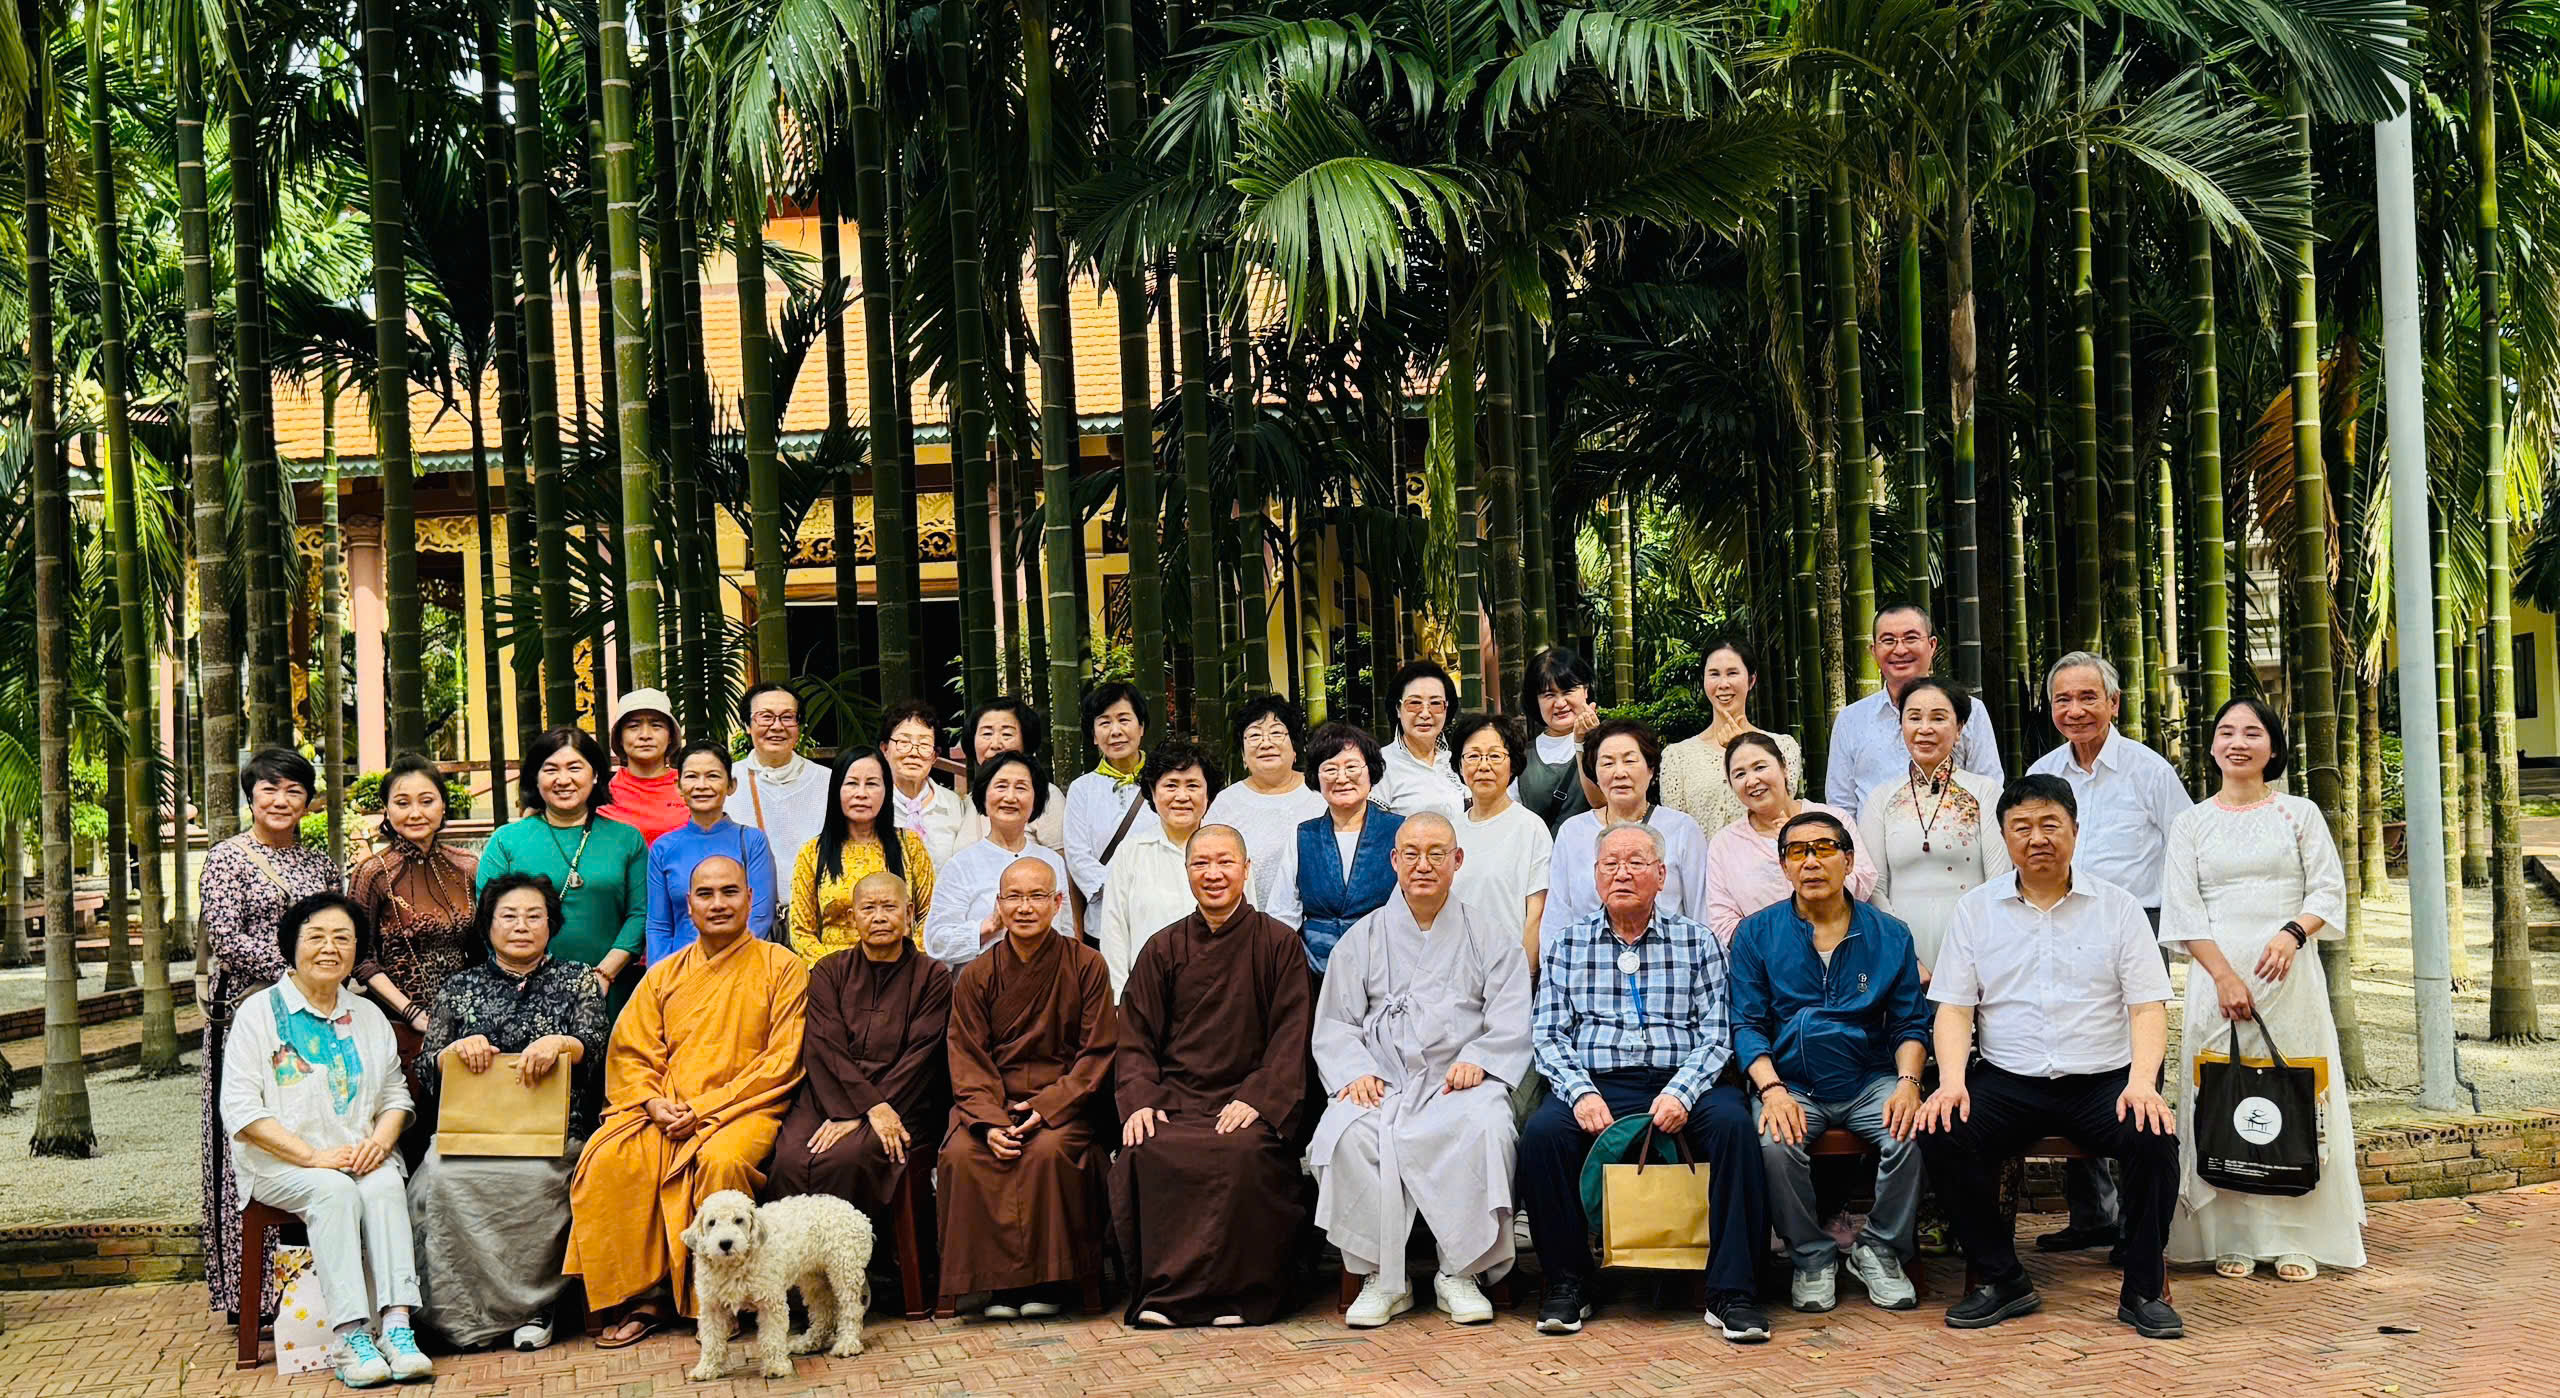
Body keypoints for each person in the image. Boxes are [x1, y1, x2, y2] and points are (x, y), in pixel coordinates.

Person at [1916, 775, 2183, 1340]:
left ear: (2075, 831)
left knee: (2153, 1138)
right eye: (2022, 827)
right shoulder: (1976, 909)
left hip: (2102, 1080)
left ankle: (2142, 1288)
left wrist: (2142, 1083)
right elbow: (1955, 1009)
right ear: (2005, 838)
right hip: (2009, 1079)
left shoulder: (2118, 907)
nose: (2037, 838)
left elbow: (2147, 1006)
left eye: (2049, 824)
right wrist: (1953, 1081)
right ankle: (2002, 1277)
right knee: (1941, 1129)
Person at [1519, 823, 1772, 1343]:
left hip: (1683, 1079)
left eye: (1636, 862)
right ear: (1595, 876)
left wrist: (1683, 1091)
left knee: (1734, 1128)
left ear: (1661, 875)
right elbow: (1548, 1034)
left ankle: (1732, 1292)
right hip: (1597, 1081)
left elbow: (1717, 1032)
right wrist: (1581, 1092)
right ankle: (1569, 1282)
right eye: (1610, 864)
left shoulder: (1696, 940)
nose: (1622, 873)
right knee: (1543, 1136)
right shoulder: (1568, 943)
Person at [568, 855, 811, 1346]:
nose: (718, 903)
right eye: (705, 894)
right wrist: (653, 1104)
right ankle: (647, 1296)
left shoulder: (783, 967)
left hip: (746, 1107)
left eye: (729, 892)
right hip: (666, 1108)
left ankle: (719, 1305)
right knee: (610, 1159)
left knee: (721, 1163)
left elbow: (781, 1060)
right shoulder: (663, 975)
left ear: (750, 899)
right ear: (689, 905)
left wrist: (705, 1109)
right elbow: (632, 1052)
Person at [2162, 698, 2360, 1280]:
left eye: (2252, 733)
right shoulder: (2191, 822)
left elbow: (2327, 890)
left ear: (2273, 747)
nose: (2238, 743)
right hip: (2215, 982)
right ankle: (2231, 1236)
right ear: (2212, 746)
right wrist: (2223, 976)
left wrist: (2293, 933)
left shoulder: (2300, 814)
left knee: (2295, 1095)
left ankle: (2296, 1237)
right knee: (2222, 1096)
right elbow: (2182, 909)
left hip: (2289, 980)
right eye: (2226, 732)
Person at [1310, 813, 1532, 1329]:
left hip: (1458, 1081)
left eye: (1437, 853)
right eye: (1411, 853)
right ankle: (1381, 1277)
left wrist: (1481, 1059)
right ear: (1394, 861)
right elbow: (1336, 1022)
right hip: (1384, 1081)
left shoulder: (1489, 934)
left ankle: (1461, 1271)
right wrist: (1355, 1070)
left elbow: (1511, 1016)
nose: (1423, 864)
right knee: (1346, 1132)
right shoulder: (1363, 937)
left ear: (1458, 860)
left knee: (1487, 1126)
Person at [219, 892, 430, 1387]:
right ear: (291, 945)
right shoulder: (258, 1014)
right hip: (281, 1163)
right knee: (333, 1191)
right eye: (316, 937)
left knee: (384, 1185)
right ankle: (351, 1337)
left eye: (343, 938)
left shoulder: (367, 1015)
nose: (330, 948)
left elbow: (395, 1096)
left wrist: (381, 1142)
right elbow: (244, 1113)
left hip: (358, 1154)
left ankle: (397, 1328)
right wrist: (313, 1157)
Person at [1111, 825, 1314, 1328]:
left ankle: (1242, 1296)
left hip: (1246, 1099)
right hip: (1177, 1100)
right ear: (1187, 873)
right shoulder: (1163, 948)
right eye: (1201, 863)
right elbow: (1135, 1034)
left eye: (1225, 862)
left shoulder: (1279, 944)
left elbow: (1293, 1034)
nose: (1213, 873)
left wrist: (1260, 1098)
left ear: (1246, 870)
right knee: (1147, 1148)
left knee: (1243, 1152)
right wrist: (1141, 1099)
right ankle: (1165, 1295)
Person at [2025, 652, 2193, 1257]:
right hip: (2059, 921)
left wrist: (2176, 931)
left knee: (2139, 1065)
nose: (2075, 710)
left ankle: (2137, 1225)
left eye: (2088, 697)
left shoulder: (2148, 770)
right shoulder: (2043, 772)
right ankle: (2092, 1213)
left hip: (2136, 924)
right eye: (2063, 700)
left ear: (2114, 703)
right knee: (2072, 1059)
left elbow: (2185, 848)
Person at [1729, 812, 1929, 1315]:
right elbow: (1747, 1025)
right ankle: (1812, 1256)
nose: (1812, 862)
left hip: (1868, 1079)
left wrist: (1908, 1083)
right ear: (1784, 866)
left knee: (1910, 1129)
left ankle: (1878, 1249)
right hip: (1791, 1081)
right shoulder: (1756, 934)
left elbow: (1909, 1023)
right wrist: (1772, 1091)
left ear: (1849, 859)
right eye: (1798, 852)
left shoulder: (1890, 935)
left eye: (1824, 848)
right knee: (1775, 1144)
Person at [407, 874, 609, 1353]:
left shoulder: (578, 980)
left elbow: (598, 1048)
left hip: (554, 1132)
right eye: (509, 916)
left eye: (534, 916)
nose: (522, 926)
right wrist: (455, 1052)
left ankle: (536, 1307)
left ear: (551, 924)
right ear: (488, 924)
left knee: (537, 1179)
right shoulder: (460, 986)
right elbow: (427, 1069)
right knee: (439, 1178)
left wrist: (565, 1044)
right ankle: (452, 1316)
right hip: (471, 1132)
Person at [937, 858, 1119, 1318]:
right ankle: (997, 1286)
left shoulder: (1087, 965)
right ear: (998, 905)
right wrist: (989, 1122)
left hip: (1065, 1104)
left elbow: (1097, 1051)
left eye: (1037, 896)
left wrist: (1049, 1105)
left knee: (1048, 1153)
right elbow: (966, 1057)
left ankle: (1052, 1280)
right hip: (991, 1103)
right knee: (963, 1155)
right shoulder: (977, 974)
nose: (1025, 907)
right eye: (1014, 897)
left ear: (1057, 903)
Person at [200, 746, 344, 1320]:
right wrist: (298, 973)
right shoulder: (226, 859)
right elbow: (226, 938)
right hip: (248, 1012)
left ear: (308, 802)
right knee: (250, 1135)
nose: (281, 800)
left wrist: (317, 978)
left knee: (314, 1121)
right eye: (270, 788)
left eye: (294, 791)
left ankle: (314, 1293)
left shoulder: (320, 865)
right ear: (251, 796)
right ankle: (249, 1293)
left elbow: (337, 929)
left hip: (315, 1014)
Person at [768, 873, 957, 1240]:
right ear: (852, 917)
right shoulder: (829, 971)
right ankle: (794, 1266)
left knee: (845, 1158)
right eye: (868, 908)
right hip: (827, 1094)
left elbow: (921, 1057)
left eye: (889, 907)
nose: (879, 917)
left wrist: (871, 1110)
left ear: (910, 913)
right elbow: (825, 1047)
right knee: (790, 1158)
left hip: (902, 1099)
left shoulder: (932, 976)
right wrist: (864, 1107)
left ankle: (857, 1261)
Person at [474, 727, 648, 1017]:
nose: (563, 779)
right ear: (535, 777)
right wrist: (527, 975)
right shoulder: (506, 840)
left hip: (611, 988)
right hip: (525, 992)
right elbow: (487, 914)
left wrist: (603, 975)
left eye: (575, 768)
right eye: (551, 769)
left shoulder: (627, 839)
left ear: (595, 774)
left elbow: (640, 914)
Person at [1858, 679, 2011, 973]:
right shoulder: (1881, 798)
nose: (1925, 728)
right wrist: (1904, 957)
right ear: (1901, 725)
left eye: (1939, 718)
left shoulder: (1985, 792)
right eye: (1914, 718)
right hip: (1901, 954)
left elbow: (1999, 881)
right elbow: (1874, 886)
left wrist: (1972, 956)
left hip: (1974, 949)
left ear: (1960, 728)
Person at [1541, 721, 1712, 947]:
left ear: (1650, 769)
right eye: (1607, 763)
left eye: (1630, 761)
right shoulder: (1572, 832)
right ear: (1595, 773)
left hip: (1669, 961)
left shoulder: (1682, 828)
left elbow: (1702, 912)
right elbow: (1556, 917)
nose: (1619, 773)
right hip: (1589, 962)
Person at [1824, 605, 2004, 818]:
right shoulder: (1851, 720)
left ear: (1932, 645)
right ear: (1873, 651)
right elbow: (1841, 808)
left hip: (1956, 836)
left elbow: (1990, 794)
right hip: (1872, 839)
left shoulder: (1970, 710)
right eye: (1888, 640)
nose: (1900, 650)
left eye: (1911, 638)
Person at [346, 754, 476, 1045]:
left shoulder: (467, 866)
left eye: (427, 801)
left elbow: (481, 952)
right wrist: (410, 1012)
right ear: (387, 809)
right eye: (402, 803)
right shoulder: (373, 873)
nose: (415, 813)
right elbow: (360, 958)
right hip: (395, 1024)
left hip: (464, 1021)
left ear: (443, 805)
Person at [1264, 723, 1405, 975]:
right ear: (1316, 778)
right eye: (1330, 769)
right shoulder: (1303, 836)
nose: (1341, 778)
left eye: (1352, 767)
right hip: (1316, 972)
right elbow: (1282, 917)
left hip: (1388, 971)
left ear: (1371, 772)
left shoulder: (1400, 832)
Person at [1706, 733, 1875, 943]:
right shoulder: (1724, 844)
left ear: (1784, 767)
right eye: (1740, 774)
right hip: (1766, 959)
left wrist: (1802, 847)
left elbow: (1864, 881)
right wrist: (1772, 948)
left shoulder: (1833, 820)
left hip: (1843, 946)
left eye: (1760, 767)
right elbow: (1723, 923)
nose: (1752, 780)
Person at [1095, 741, 1224, 996]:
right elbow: (1114, 932)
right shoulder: (1130, 852)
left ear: (1208, 794)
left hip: (1218, 995)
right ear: (1153, 793)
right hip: (1147, 995)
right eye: (1171, 785)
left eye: (1193, 786)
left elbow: (1246, 927)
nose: (1182, 796)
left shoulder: (1227, 851)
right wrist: (1120, 999)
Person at [789, 746, 936, 962]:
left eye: (872, 784)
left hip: (900, 969)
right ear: (836, 790)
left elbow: (930, 915)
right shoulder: (812, 853)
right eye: (851, 783)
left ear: (886, 790)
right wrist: (838, 971)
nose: (861, 794)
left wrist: (906, 963)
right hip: (836, 972)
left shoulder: (909, 844)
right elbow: (801, 932)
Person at [924, 752, 1070, 967]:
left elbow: (1066, 931)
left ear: (1036, 799)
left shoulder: (1052, 861)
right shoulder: (961, 865)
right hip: (981, 982)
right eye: (1001, 786)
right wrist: (989, 926)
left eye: (1021, 788)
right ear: (984, 796)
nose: (1010, 797)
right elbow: (936, 942)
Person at [645, 741, 779, 963]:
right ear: (678, 786)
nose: (702, 785)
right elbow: (659, 927)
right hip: (679, 971)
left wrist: (717, 969)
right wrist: (659, 977)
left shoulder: (753, 842)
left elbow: (760, 917)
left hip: (741, 968)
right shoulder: (663, 848)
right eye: (691, 776)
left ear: (731, 785)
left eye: (713, 776)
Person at [1659, 640, 1803, 836]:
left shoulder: (1783, 747)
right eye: (1714, 674)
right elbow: (1677, 834)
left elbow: (1783, 812)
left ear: (1751, 680)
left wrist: (1743, 747)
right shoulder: (1677, 757)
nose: (1723, 684)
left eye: (1732, 673)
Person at [1445, 712, 1552, 963]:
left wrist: (1527, 972)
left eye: (1495, 756)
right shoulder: (1450, 831)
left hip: (1508, 968)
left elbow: (1536, 914)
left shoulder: (1530, 828)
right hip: (1452, 967)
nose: (1484, 766)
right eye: (1473, 756)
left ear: (1512, 764)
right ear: (1459, 765)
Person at [1204, 695, 1327, 910]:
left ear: (1295, 748)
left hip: (1318, 922)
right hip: (1247, 924)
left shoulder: (1322, 794)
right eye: (1254, 735)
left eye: (1277, 733)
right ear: (1243, 755)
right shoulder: (1226, 803)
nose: (1266, 743)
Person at [727, 683, 831, 929]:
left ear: (799, 725)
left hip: (817, 922)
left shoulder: (828, 782)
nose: (776, 726)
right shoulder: (727, 782)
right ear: (747, 725)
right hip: (747, 924)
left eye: (787, 717)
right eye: (765, 717)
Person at [1064, 681, 1151, 914]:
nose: (1115, 731)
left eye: (1124, 720)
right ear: (1094, 735)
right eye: (1104, 722)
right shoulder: (1082, 789)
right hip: (1104, 913)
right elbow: (1077, 856)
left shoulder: (1165, 781)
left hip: (1160, 912)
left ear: (1141, 727)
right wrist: (1118, 892)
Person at [957, 696, 1070, 851]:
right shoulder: (969, 800)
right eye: (987, 734)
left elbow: (1061, 860)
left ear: (1025, 740)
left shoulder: (1046, 794)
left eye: (1007, 734)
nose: (995, 744)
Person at [1516, 648, 1600, 832]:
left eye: (1568, 691)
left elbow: (1604, 803)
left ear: (1585, 691)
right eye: (1549, 695)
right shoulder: (1521, 756)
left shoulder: (1610, 742)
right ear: (1536, 701)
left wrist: (1589, 742)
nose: (1560, 703)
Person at [882, 700, 974, 867]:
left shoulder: (954, 805)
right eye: (904, 742)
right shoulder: (873, 802)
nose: (913, 752)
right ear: (885, 749)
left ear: (934, 755)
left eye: (924, 744)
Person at [1376, 660, 1466, 819]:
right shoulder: (1378, 764)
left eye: (1436, 703)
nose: (1425, 713)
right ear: (1398, 709)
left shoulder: (1456, 761)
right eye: (1415, 703)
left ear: (1446, 709)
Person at [598, 688, 688, 845]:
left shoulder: (690, 784)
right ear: (619, 738)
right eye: (633, 726)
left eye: (656, 725)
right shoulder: (602, 792)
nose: (645, 735)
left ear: (670, 736)